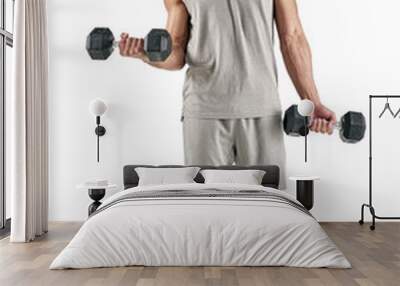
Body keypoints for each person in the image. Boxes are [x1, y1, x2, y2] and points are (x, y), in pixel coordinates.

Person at [118, 0, 336, 188]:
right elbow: (176, 51)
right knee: (206, 208)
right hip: (204, 110)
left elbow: (292, 37)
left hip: (261, 107)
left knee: (269, 206)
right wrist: (146, 53)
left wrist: (312, 102)